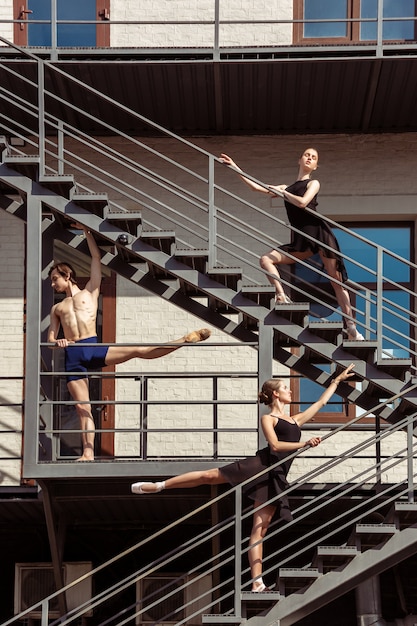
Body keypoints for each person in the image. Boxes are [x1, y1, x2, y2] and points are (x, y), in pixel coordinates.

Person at [131, 363, 356, 592]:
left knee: (260, 529)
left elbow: (321, 403)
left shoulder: (295, 420)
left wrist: (336, 381)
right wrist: (304, 443)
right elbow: (276, 445)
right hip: (259, 466)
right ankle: (160, 485)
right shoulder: (269, 419)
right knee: (210, 476)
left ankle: (257, 583)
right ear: (275, 394)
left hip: (275, 477)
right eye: (286, 388)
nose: (290, 391)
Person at [47, 224, 211, 461]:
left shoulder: (90, 291)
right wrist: (57, 342)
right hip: (73, 355)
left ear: (67, 275)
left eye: (55, 279)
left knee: (136, 350)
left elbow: (95, 257)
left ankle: (182, 341)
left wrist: (87, 232)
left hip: (93, 346)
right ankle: (88, 453)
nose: (53, 284)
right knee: (83, 407)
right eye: (51, 282)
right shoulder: (56, 308)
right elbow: (51, 338)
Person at [219, 149, 364, 341]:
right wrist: (235, 167)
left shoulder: (313, 183)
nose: (309, 158)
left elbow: (303, 203)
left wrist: (283, 193)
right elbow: (256, 188)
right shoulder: (285, 188)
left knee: (336, 281)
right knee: (265, 260)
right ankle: (281, 296)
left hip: (320, 234)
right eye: (307, 155)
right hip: (301, 240)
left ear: (315, 165)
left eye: (313, 158)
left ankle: (352, 328)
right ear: (300, 160)